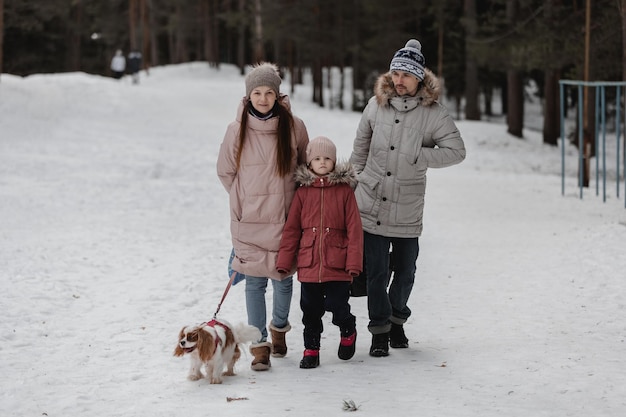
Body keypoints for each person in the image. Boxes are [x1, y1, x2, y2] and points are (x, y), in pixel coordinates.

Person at [349, 39, 466, 357]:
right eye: (396, 73)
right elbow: (359, 152)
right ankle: (379, 332)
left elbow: (457, 151)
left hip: (407, 207)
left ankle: (397, 318)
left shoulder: (434, 114)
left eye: (407, 74)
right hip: (370, 202)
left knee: (405, 271)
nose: (400, 79)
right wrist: (349, 188)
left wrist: (420, 154)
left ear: (419, 79)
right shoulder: (375, 105)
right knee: (375, 273)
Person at [217, 62, 309, 371]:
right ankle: (259, 346)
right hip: (249, 220)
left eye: (269, 92)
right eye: (257, 92)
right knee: (254, 284)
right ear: (248, 95)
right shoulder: (236, 129)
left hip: (285, 219)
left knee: (282, 281)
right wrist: (245, 199)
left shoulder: (294, 126)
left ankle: (278, 329)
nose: (263, 98)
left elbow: (305, 169)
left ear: (278, 94)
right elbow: (226, 170)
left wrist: (291, 204)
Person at [276, 136, 363, 369]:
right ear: (309, 163)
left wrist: (354, 263)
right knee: (310, 311)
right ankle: (311, 350)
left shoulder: (344, 192)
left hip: (338, 263)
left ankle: (347, 328)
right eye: (317, 158)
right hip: (309, 263)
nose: (322, 162)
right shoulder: (303, 193)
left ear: (334, 162)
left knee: (337, 305)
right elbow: (292, 230)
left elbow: (355, 230)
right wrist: (285, 261)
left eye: (327, 158)